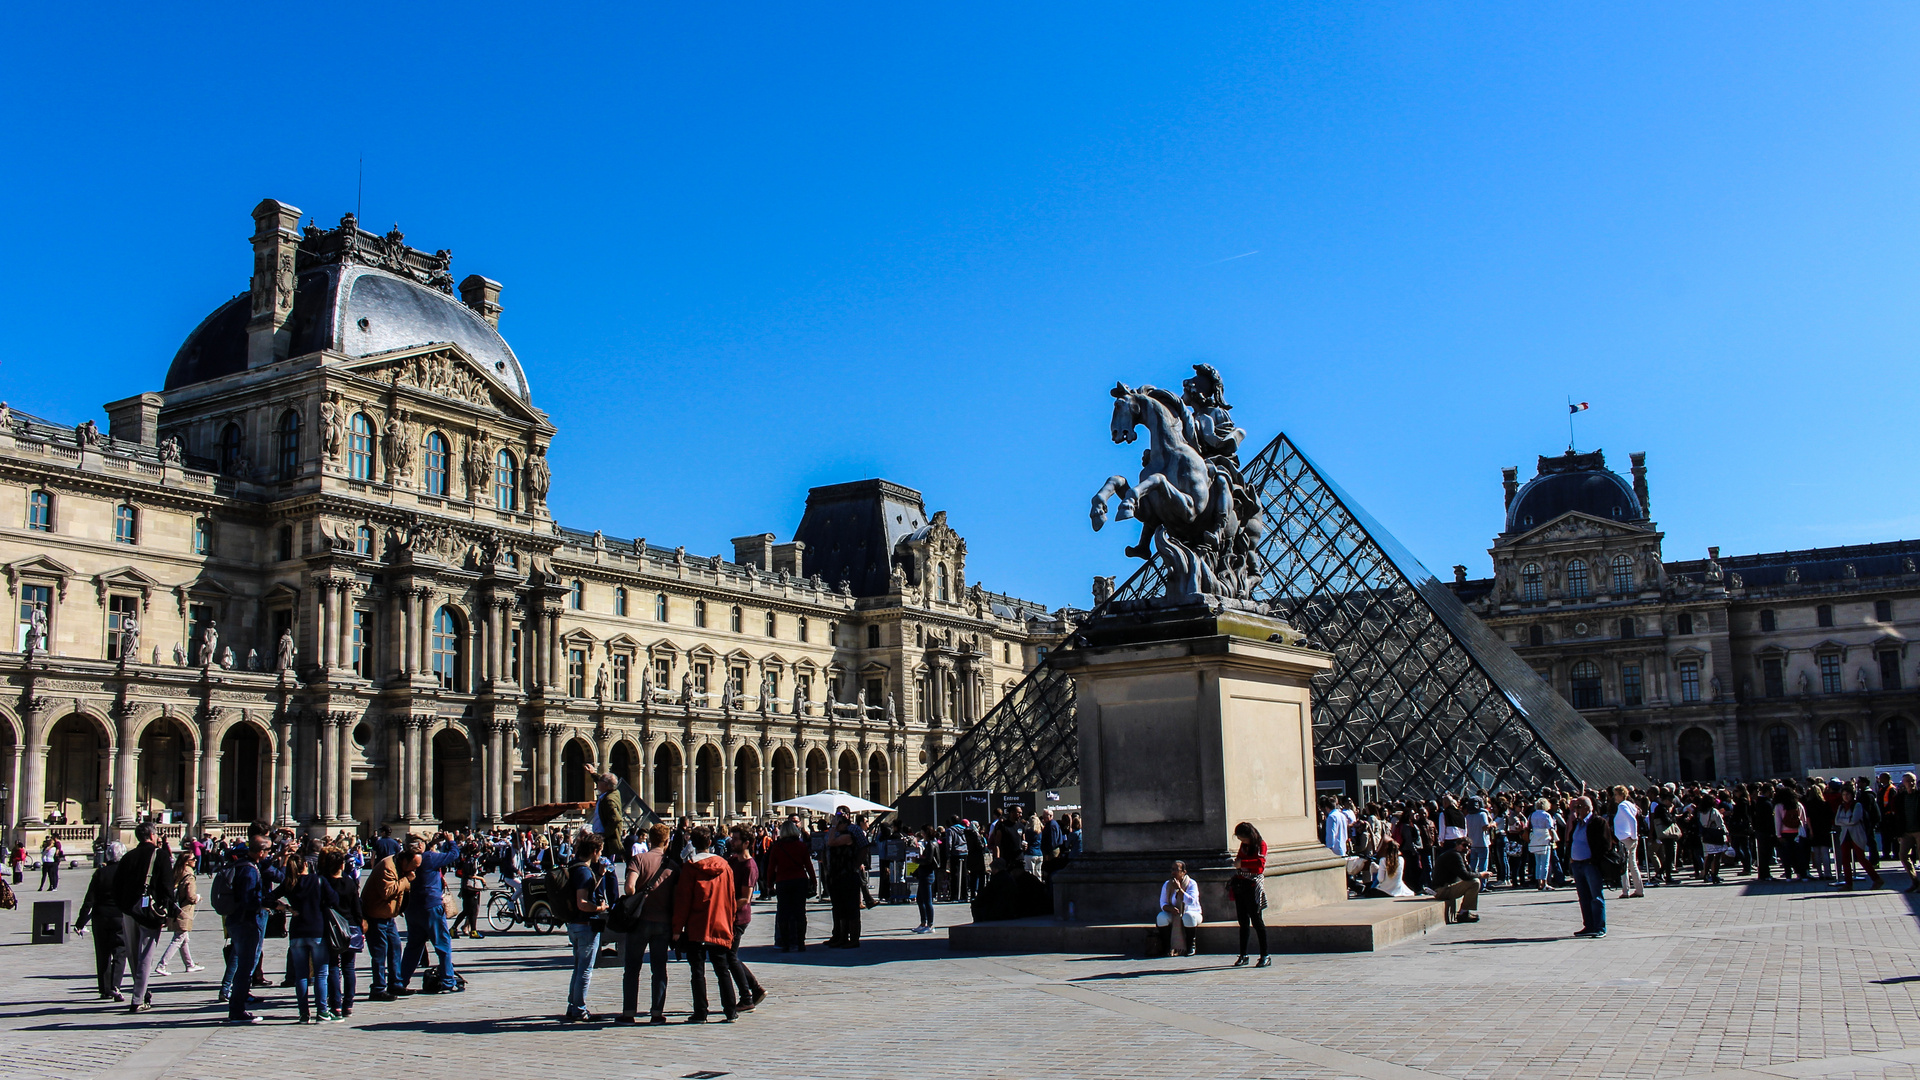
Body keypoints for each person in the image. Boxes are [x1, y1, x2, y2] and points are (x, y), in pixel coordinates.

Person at [671, 825, 740, 1023]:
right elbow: (731, 897)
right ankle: (730, 1010)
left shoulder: (690, 867)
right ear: (710, 843)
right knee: (722, 969)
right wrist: (731, 922)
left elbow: (683, 900)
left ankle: (701, 1012)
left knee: (697, 972)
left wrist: (677, 929)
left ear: (692, 843)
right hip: (720, 923)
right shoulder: (725, 866)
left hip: (697, 925)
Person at [617, 822, 679, 1024]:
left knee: (632, 968)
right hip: (663, 922)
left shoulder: (639, 859)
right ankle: (656, 1013)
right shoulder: (673, 865)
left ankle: (628, 1013)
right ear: (667, 841)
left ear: (650, 840)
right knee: (659, 969)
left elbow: (628, 888)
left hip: (639, 921)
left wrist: (638, 895)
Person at [113, 823, 173, 1013]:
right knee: (146, 955)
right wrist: (166, 911)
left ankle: (142, 991)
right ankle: (138, 999)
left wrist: (124, 907)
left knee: (133, 955)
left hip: (129, 911)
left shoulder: (128, 856)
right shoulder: (160, 855)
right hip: (149, 911)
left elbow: (117, 885)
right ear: (152, 835)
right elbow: (167, 886)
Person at [219, 833, 280, 1023]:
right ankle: (237, 1010)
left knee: (244, 966)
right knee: (246, 968)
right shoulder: (250, 871)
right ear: (261, 851)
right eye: (268, 851)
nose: (269, 855)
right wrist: (271, 903)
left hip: (236, 921)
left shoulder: (242, 864)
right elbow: (249, 901)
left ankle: (237, 1007)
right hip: (245, 922)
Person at [398, 832, 461, 993]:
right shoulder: (429, 858)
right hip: (431, 906)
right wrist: (451, 841)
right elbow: (454, 854)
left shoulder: (403, 859)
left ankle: (401, 981)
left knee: (413, 947)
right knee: (442, 944)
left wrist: (432, 841)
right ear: (420, 846)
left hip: (412, 907)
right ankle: (448, 981)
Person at [561, 832, 609, 1023]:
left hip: (574, 924)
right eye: (600, 852)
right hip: (584, 925)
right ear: (594, 851)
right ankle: (579, 1009)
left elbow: (587, 890)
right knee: (585, 969)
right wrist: (600, 907)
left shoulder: (575, 866)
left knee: (578, 966)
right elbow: (582, 901)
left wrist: (599, 875)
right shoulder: (582, 871)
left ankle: (573, 1005)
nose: (600, 855)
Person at [73, 842, 127, 1002]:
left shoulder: (100, 873)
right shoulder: (126, 873)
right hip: (120, 916)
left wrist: (80, 922)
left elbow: (89, 900)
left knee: (102, 953)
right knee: (120, 951)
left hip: (100, 917)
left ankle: (104, 989)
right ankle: (115, 985)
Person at [359, 837, 410, 1001]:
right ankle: (378, 988)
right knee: (379, 953)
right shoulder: (388, 867)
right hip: (376, 916)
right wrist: (406, 881)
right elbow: (387, 892)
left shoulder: (398, 867)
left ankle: (396, 983)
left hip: (388, 916)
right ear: (405, 861)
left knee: (395, 948)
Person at [721, 831, 766, 1010]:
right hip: (729, 914)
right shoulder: (732, 861)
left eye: (737, 839)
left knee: (730, 956)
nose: (733, 841)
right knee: (729, 956)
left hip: (738, 916)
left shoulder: (749, 866)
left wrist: (724, 908)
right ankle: (755, 990)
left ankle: (747, 997)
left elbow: (745, 898)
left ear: (747, 843)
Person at [321, 846, 362, 1017]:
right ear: (341, 865)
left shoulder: (323, 882)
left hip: (330, 927)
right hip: (350, 926)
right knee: (349, 968)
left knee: (332, 967)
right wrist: (360, 926)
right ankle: (348, 1004)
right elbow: (356, 908)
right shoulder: (349, 882)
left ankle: (335, 1004)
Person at [1567, 795, 1612, 939]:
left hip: (1590, 864)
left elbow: (1605, 844)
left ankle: (1600, 927)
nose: (1576, 810)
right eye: (1575, 807)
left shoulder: (1598, 822)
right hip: (1577, 864)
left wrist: (1594, 860)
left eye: (1578, 807)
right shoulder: (1577, 823)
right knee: (1583, 896)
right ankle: (1589, 925)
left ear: (1587, 808)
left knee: (1596, 896)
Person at [153, 849, 204, 976]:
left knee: (183, 938)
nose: (195, 861)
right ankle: (162, 965)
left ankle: (189, 964)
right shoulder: (189, 875)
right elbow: (190, 895)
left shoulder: (177, 872)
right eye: (193, 859)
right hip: (184, 910)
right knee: (179, 938)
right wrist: (197, 898)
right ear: (187, 862)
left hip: (175, 909)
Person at [768, 821, 815, 951]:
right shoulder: (801, 846)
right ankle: (801, 943)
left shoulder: (777, 847)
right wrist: (814, 881)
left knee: (784, 913)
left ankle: (785, 943)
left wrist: (769, 884)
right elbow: (808, 865)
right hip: (800, 880)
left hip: (783, 881)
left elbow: (771, 867)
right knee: (800, 912)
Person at [824, 808, 867, 948]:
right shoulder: (838, 832)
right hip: (835, 873)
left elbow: (832, 843)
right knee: (838, 907)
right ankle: (840, 936)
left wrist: (857, 864)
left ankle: (853, 938)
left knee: (851, 907)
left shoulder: (850, 833)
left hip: (847, 873)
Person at [1230, 822, 1269, 966]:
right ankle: (1243, 954)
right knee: (1243, 921)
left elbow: (1260, 863)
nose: (1241, 841)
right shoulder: (1244, 846)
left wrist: (1243, 863)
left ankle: (1265, 954)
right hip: (1241, 884)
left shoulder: (1260, 844)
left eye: (1242, 838)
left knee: (1257, 920)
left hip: (1253, 885)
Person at [1832, 786, 1883, 890]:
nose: (1846, 797)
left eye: (1848, 794)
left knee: (1861, 858)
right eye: (1844, 795)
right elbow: (1837, 821)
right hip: (1845, 835)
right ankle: (1848, 883)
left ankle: (1877, 879)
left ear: (1852, 795)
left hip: (1857, 834)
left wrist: (1844, 821)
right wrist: (1847, 820)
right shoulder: (1841, 807)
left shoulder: (1857, 805)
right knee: (1845, 859)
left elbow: (1854, 820)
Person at [1430, 836, 1487, 924]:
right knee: (1475, 883)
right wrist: (1481, 875)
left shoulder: (1457, 855)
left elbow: (1468, 873)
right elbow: (1466, 876)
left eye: (1469, 847)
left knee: (1473, 881)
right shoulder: (1454, 855)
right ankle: (1463, 913)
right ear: (1457, 845)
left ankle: (1465, 911)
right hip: (1442, 890)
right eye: (1464, 846)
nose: (1467, 848)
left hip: (1445, 888)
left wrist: (1465, 861)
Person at [1155, 860, 1201, 957]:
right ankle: (1168, 947)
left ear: (1184, 872)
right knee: (1161, 917)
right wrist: (1170, 909)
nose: (1173, 872)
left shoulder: (1191, 884)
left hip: (1192, 913)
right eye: (1172, 869)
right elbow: (1163, 903)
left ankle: (1190, 946)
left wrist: (1179, 889)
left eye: (1176, 870)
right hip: (1174, 914)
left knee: (1188, 917)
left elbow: (1190, 901)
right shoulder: (1167, 884)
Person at [1612, 786, 1644, 898]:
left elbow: (1632, 820)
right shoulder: (1630, 805)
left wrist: (1633, 836)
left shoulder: (1622, 806)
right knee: (1633, 864)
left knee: (1624, 865)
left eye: (1616, 794)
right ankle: (1639, 889)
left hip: (1625, 838)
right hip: (1629, 838)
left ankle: (1625, 890)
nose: (1614, 797)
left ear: (1621, 795)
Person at [1694, 794, 1732, 884]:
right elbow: (1720, 824)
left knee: (1709, 856)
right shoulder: (1714, 811)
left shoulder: (1701, 812)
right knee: (1717, 856)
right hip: (1715, 835)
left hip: (1706, 835)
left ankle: (1706, 875)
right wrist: (1727, 834)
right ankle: (1715, 875)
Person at [1892, 772, 1920, 892]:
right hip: (1906, 831)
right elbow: (1897, 815)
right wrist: (1898, 833)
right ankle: (1915, 881)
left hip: (1919, 830)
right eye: (1908, 781)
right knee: (1903, 855)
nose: (1911, 783)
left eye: (1912, 780)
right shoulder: (1900, 797)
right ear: (1903, 783)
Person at [911, 826, 939, 933]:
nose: (921, 835)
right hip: (924, 873)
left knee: (927, 901)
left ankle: (930, 924)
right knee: (920, 899)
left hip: (927, 874)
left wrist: (917, 860)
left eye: (922, 833)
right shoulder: (930, 844)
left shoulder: (931, 844)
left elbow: (928, 860)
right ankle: (924, 922)